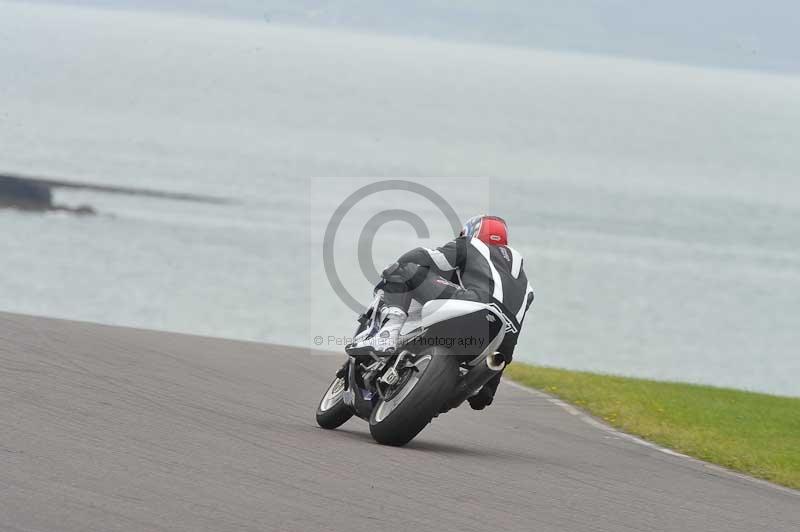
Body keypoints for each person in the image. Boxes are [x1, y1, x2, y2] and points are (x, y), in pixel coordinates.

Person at [349, 215, 534, 410]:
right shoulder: (526, 286)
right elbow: (510, 339)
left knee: (404, 269)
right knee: (479, 387)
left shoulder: (470, 244)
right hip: (495, 335)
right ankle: (454, 389)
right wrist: (488, 388)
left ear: (471, 232)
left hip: (473, 303)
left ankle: (387, 334)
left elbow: (426, 258)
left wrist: (396, 270)